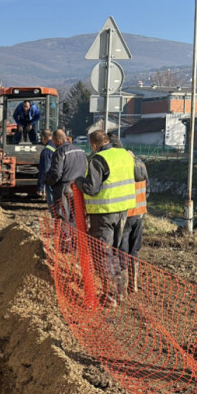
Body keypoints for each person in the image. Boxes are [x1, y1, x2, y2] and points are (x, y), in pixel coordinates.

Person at [75, 130, 137, 303]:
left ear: (94, 145)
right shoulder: (124, 155)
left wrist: (78, 181)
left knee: (102, 253)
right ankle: (121, 291)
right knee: (116, 251)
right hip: (123, 211)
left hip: (104, 213)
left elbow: (91, 188)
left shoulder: (98, 159)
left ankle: (111, 295)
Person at [119, 154, 149, 293]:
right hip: (140, 212)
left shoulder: (123, 168)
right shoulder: (142, 165)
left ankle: (124, 286)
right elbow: (147, 190)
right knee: (134, 250)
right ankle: (134, 284)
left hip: (126, 214)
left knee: (123, 250)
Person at [44, 129, 88, 222]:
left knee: (62, 217)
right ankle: (75, 236)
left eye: (54, 142)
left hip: (63, 188)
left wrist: (48, 181)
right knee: (76, 216)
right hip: (78, 186)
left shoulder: (60, 151)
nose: (54, 144)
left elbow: (56, 173)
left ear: (59, 141)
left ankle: (64, 236)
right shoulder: (80, 150)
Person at [37, 129, 56, 208]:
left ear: (43, 138)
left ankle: (56, 217)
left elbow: (44, 170)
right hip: (61, 179)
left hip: (51, 180)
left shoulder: (46, 151)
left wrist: (40, 187)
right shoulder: (58, 146)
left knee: (52, 204)